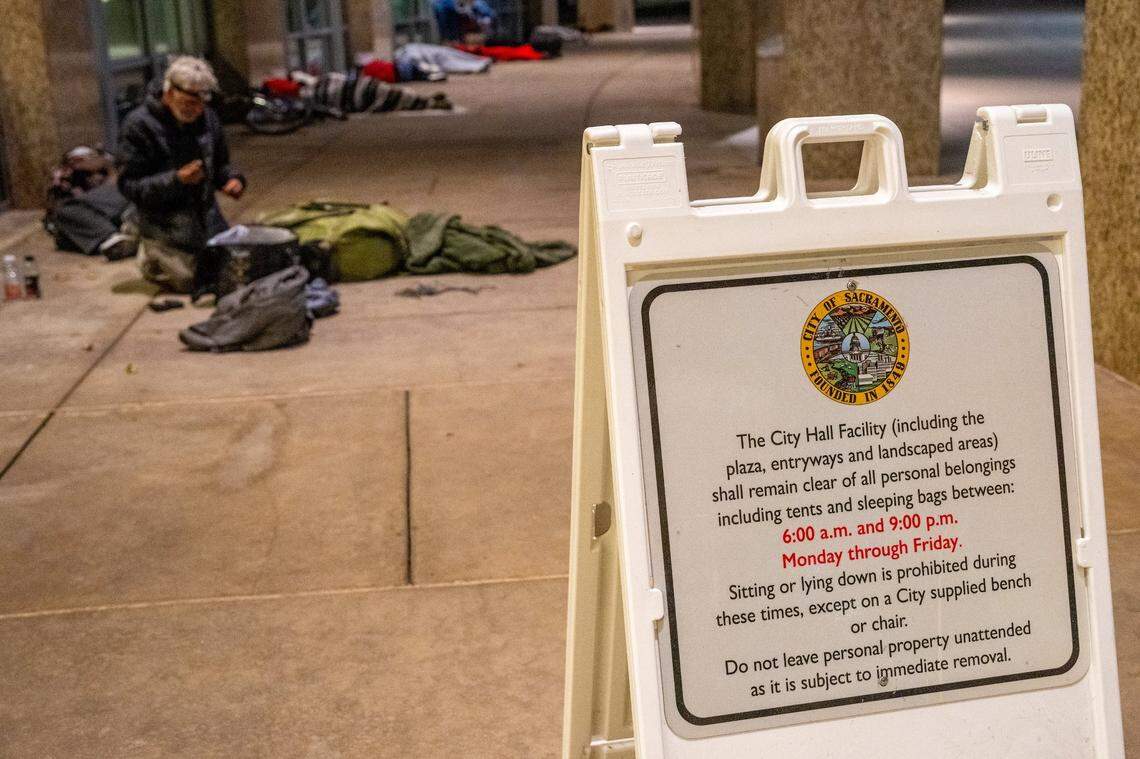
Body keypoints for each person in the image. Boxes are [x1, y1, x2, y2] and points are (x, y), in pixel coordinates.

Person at [117, 56, 245, 292]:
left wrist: (232, 180)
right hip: (163, 223)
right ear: (168, 94)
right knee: (192, 281)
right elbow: (130, 186)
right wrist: (177, 180)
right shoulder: (139, 125)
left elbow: (220, 165)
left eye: (200, 104)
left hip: (207, 219)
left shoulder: (207, 118)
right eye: (187, 103)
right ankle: (150, 255)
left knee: (241, 270)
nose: (195, 111)